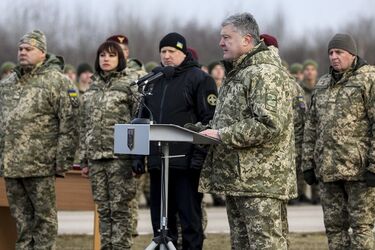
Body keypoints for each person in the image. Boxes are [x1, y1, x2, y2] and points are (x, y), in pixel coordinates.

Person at [199, 13, 297, 249]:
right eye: (221, 38)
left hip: (261, 182)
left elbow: (268, 123)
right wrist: (201, 131)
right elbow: (233, 119)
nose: (221, 43)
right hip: (239, 179)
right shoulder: (239, 73)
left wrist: (223, 135)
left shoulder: (264, 73)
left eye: (226, 38)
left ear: (247, 40)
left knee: (266, 245)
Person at [133, 32, 217, 249]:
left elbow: (209, 121)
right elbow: (142, 119)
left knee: (189, 220)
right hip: (158, 162)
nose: (167, 56)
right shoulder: (154, 80)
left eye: (172, 51)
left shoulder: (200, 79)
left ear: (183, 52)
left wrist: (199, 156)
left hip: (186, 163)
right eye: (163, 51)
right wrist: (138, 154)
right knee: (160, 223)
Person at [0, 30, 79, 249]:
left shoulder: (57, 82)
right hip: (12, 165)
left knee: (44, 221)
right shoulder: (7, 85)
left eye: (28, 49)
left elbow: (70, 124)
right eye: (20, 49)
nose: (23, 53)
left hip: (41, 165)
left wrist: (62, 161)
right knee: (21, 221)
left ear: (42, 53)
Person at [302, 33, 375, 250]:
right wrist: (308, 163)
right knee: (335, 229)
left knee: (362, 228)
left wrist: (374, 165)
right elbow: (311, 125)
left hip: (359, 171)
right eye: (331, 53)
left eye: (339, 52)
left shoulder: (368, 78)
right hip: (328, 170)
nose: (334, 57)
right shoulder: (323, 83)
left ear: (352, 54)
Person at [79, 41, 138, 249]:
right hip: (96, 159)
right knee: (103, 211)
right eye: (102, 55)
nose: (106, 59)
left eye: (111, 55)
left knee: (121, 211)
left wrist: (138, 160)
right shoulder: (92, 87)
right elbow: (84, 124)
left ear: (120, 59)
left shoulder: (131, 85)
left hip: (120, 158)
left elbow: (139, 122)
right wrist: (84, 160)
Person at [106, 34, 148, 237]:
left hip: (129, 149)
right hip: (106, 150)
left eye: (120, 49)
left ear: (127, 52)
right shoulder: (104, 77)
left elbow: (141, 116)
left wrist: (138, 155)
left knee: (128, 199)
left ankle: (129, 233)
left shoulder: (138, 76)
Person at [300, 59, 320, 204]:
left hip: (318, 131)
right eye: (307, 69)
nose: (309, 72)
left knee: (318, 162)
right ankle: (301, 194)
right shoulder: (299, 89)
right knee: (303, 163)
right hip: (302, 131)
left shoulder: (321, 87)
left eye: (312, 69)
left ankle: (317, 195)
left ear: (316, 72)